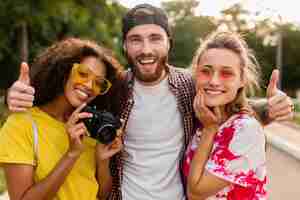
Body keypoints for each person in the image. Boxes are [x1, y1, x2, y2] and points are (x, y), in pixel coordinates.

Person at [5, 4, 294, 200]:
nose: (146, 49)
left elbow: (230, 108)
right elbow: (66, 99)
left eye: (155, 38)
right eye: (135, 40)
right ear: (125, 46)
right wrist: (16, 95)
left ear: (168, 41)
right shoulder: (110, 89)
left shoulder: (191, 85)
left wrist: (270, 108)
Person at [0, 38, 124, 200]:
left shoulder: (92, 127)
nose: (88, 86)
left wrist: (102, 160)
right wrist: (71, 154)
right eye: (83, 73)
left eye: (99, 83)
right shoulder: (22, 125)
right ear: (64, 71)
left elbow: (102, 194)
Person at [183, 31, 267, 199]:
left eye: (226, 73)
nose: (214, 81)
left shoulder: (246, 129)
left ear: (242, 80)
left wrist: (209, 130)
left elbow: (195, 193)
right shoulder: (201, 120)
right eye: (206, 71)